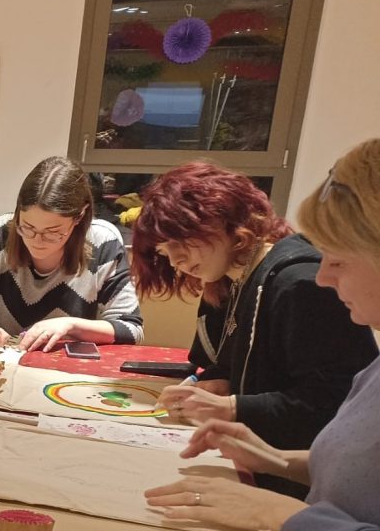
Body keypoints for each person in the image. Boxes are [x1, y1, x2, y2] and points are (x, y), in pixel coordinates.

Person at [145, 139, 380, 531]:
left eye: (338, 259)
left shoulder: (293, 282)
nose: (323, 276)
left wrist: (282, 514)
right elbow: (354, 474)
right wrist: (272, 460)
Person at [130, 162, 376, 494]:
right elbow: (247, 368)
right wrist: (220, 384)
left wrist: (235, 407)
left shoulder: (299, 284)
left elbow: (334, 405)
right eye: (164, 252)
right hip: (279, 466)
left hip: (307, 488)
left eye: (179, 242)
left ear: (221, 219)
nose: (175, 261)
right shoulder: (231, 282)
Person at [0, 155, 144, 353]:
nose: (37, 240)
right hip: (1, 361)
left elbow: (131, 329)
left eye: (53, 232)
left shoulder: (103, 241)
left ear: (79, 216)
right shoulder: (1, 231)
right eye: (27, 227)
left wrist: (71, 326)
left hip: (61, 369)